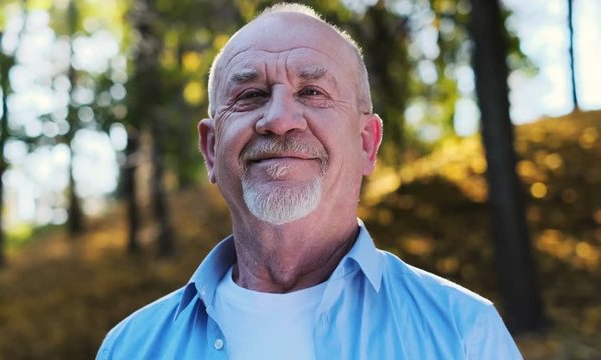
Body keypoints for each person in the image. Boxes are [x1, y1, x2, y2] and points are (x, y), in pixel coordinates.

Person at [97, 3, 522, 359]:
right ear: (210, 149)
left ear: (366, 144)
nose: (279, 120)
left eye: (312, 92)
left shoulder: (465, 333)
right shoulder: (130, 347)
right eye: (250, 95)